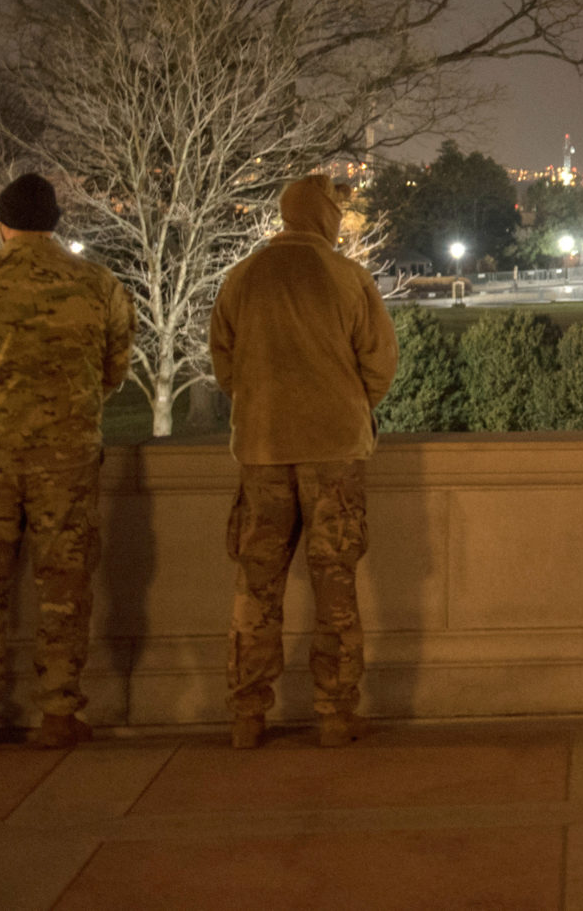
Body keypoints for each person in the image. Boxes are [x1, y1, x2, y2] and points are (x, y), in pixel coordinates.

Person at [0, 171, 134, 752]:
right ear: (54, 225)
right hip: (65, 456)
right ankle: (58, 712)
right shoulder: (96, 285)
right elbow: (114, 370)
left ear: (1, 226)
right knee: (65, 584)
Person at [212, 173, 397, 749]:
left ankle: (248, 713)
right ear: (324, 219)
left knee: (256, 585)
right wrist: (346, 405)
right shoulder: (348, 278)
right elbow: (380, 363)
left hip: (263, 450)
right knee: (335, 584)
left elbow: (224, 365)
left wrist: (262, 406)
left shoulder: (241, 278)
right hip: (334, 453)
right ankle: (336, 713)